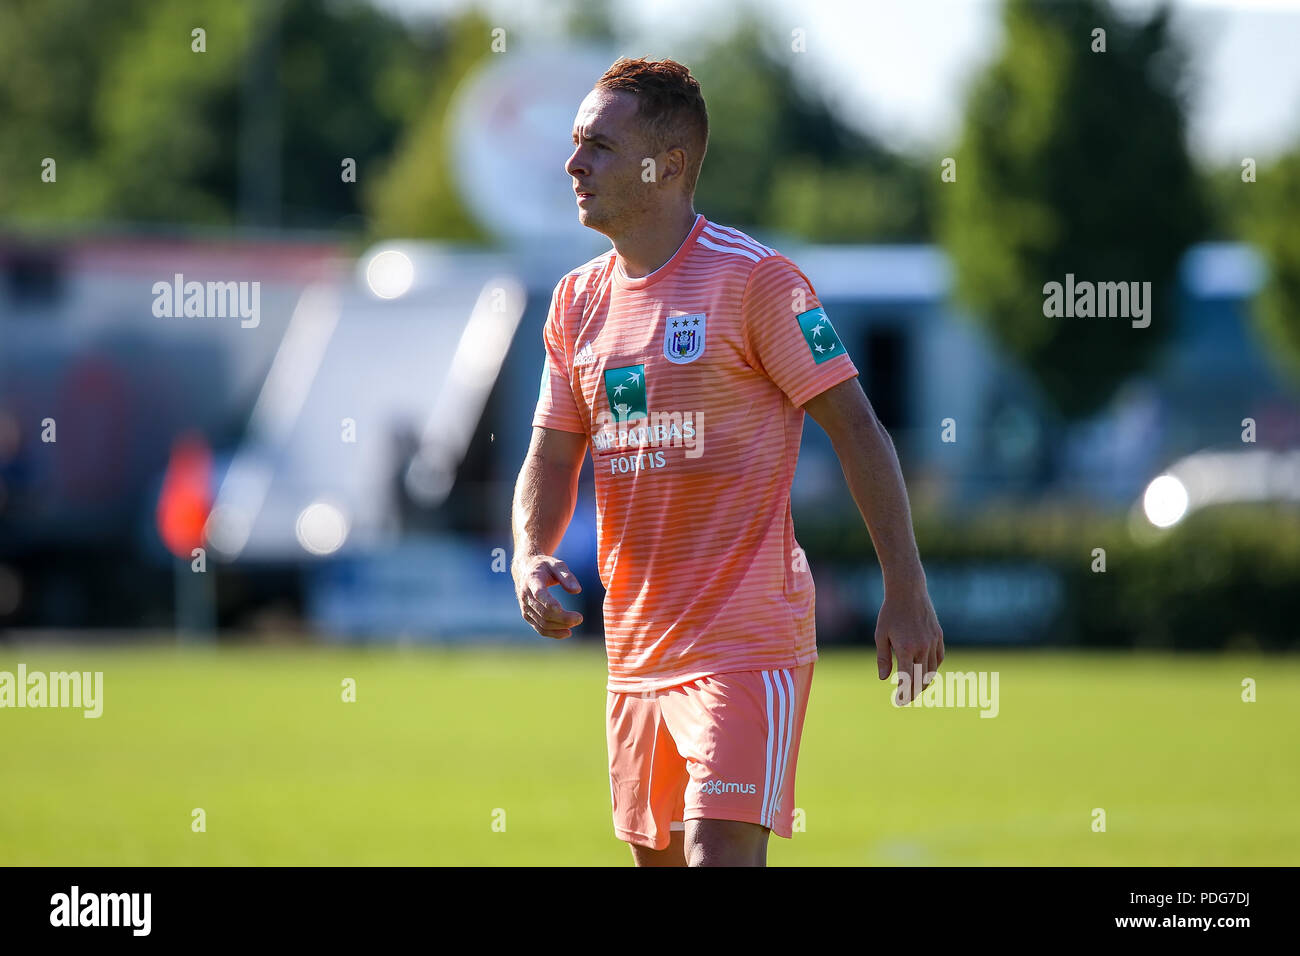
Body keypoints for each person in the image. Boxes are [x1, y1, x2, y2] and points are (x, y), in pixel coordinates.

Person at [510, 57, 944, 867]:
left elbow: (859, 429)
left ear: (668, 166)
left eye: (599, 146)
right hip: (635, 652)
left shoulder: (757, 282)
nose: (574, 164)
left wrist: (907, 590)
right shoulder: (575, 304)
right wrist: (532, 554)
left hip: (748, 645)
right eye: (576, 143)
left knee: (719, 858)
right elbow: (550, 452)